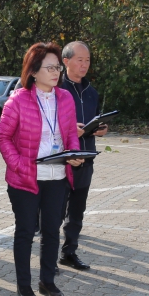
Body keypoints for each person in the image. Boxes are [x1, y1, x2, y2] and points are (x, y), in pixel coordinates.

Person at [0, 43, 83, 296]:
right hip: (25, 179)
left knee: (51, 231)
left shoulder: (65, 98)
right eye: (50, 67)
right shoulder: (19, 99)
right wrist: (21, 166)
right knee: (24, 232)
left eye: (58, 67)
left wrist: (74, 154)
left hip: (57, 176)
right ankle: (24, 286)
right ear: (33, 71)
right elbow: (2, 137)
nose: (56, 72)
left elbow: (69, 134)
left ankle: (47, 281)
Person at [58, 41, 108, 271]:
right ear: (65, 61)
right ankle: (48, 256)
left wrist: (100, 128)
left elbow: (95, 119)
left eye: (87, 60)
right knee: (55, 210)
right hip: (61, 159)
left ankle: (69, 252)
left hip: (85, 157)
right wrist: (69, 130)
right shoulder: (56, 88)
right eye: (80, 60)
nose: (84, 64)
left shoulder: (91, 92)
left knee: (77, 210)